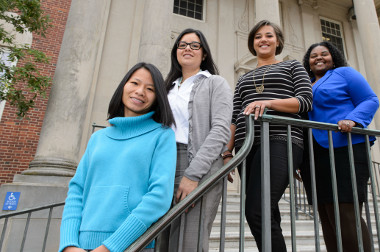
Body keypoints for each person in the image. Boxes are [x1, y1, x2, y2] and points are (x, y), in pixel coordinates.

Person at [59, 62, 177, 252]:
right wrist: (69, 244)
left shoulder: (162, 136)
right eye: (135, 83)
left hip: (131, 246)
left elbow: (159, 197)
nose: (140, 92)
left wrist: (109, 247)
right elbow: (76, 191)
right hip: (80, 245)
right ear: (123, 86)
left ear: (157, 98)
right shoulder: (98, 138)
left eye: (150, 89)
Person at [227, 20, 313, 251]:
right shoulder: (244, 79)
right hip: (246, 147)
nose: (263, 40)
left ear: (278, 41)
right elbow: (235, 116)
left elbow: (305, 102)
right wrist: (227, 152)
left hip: (281, 140)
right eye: (258, 37)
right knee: (268, 213)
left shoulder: (293, 66)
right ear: (252, 43)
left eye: (269, 35)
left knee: (257, 210)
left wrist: (268, 102)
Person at [301, 41, 379, 252]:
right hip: (314, 154)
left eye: (324, 54)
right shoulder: (305, 84)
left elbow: (370, 99)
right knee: (326, 215)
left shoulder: (344, 73)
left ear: (333, 57)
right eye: (313, 55)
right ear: (308, 62)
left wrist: (353, 119)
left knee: (345, 212)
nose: (318, 57)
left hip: (346, 147)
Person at [163, 28, 233, 251]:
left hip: (198, 164)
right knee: (161, 236)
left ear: (204, 54)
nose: (187, 49)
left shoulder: (215, 83)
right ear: (176, 52)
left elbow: (221, 129)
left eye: (195, 45)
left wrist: (193, 174)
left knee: (188, 240)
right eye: (182, 45)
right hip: (163, 163)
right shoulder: (166, 88)